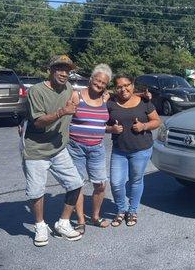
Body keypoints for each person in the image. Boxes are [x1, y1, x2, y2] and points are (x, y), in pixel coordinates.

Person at [21, 54, 84, 247]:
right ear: (51, 70)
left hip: (58, 148)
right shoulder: (37, 91)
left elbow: (82, 97)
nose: (64, 73)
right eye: (59, 69)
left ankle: (63, 223)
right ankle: (40, 225)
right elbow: (38, 122)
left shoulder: (68, 89)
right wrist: (62, 112)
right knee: (36, 191)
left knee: (75, 183)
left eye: (67, 70)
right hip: (36, 150)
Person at [106, 74, 161, 227]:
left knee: (136, 181)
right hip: (119, 150)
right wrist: (111, 128)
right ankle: (121, 209)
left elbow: (157, 121)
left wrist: (144, 126)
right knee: (116, 183)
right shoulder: (110, 103)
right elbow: (100, 124)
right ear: (115, 88)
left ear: (132, 85)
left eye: (126, 85)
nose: (123, 89)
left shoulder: (144, 102)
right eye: (119, 86)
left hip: (141, 149)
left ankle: (132, 210)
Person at [66, 64, 112, 233]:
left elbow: (126, 95)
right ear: (91, 79)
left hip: (97, 148)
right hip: (75, 147)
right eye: (97, 80)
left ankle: (95, 216)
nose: (99, 85)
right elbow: (63, 115)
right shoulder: (76, 96)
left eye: (103, 83)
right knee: (77, 184)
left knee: (100, 184)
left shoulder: (105, 99)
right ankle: (80, 219)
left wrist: (145, 95)